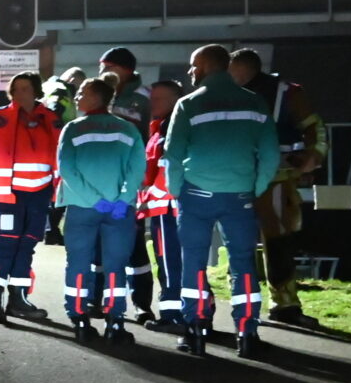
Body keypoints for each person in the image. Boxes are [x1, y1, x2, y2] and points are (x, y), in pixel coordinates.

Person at [163, 44, 280, 358]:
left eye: (193, 65)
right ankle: (247, 332)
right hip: (240, 195)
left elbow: (173, 155)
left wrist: (176, 191)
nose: (190, 71)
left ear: (203, 66)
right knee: (243, 263)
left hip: (196, 195)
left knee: (194, 263)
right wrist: (254, 188)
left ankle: (195, 330)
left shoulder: (188, 104)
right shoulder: (255, 102)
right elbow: (270, 154)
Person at [229, 48, 329, 327]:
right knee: (239, 244)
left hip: (275, 178)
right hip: (235, 179)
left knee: (278, 243)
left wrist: (313, 156)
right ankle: (243, 303)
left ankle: (284, 304)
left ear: (242, 68)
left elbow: (315, 128)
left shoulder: (286, 92)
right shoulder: (225, 94)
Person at [57, 74, 145, 346]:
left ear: (97, 97)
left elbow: (66, 169)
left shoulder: (73, 129)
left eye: (82, 92)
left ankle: (80, 319)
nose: (77, 97)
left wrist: (94, 200)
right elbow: (137, 169)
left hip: (82, 208)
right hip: (119, 210)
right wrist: (122, 199)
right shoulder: (128, 129)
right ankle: (115, 322)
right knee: (116, 266)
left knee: (78, 263)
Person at [0, 71, 60, 323]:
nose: (19, 94)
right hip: (7, 194)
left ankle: (18, 299)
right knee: (7, 244)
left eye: (25, 89)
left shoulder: (50, 118)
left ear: (36, 91)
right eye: (15, 89)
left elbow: (61, 153)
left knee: (27, 244)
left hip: (39, 194)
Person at [134, 77, 203, 329]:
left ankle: (173, 315)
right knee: (188, 261)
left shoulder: (169, 129)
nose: (152, 103)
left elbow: (163, 170)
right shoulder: (163, 127)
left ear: (176, 100)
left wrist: (146, 198)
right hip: (177, 205)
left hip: (167, 207)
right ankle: (199, 315)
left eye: (159, 99)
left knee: (169, 262)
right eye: (152, 99)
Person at [99, 47, 152, 130]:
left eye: (108, 67)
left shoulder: (145, 97)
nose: (102, 72)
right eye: (101, 67)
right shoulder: (97, 94)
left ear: (127, 70)